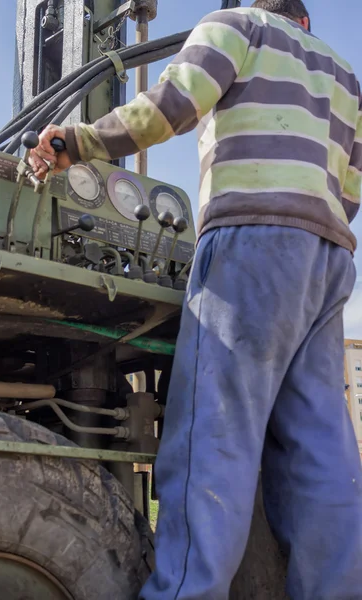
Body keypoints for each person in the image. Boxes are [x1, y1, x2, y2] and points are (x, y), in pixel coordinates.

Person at [30, 1, 362, 598]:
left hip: (250, 244)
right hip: (329, 257)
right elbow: (353, 184)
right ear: (304, 19)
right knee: (320, 450)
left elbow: (168, 108)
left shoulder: (238, 25)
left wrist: (75, 142)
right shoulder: (344, 73)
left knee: (216, 436)